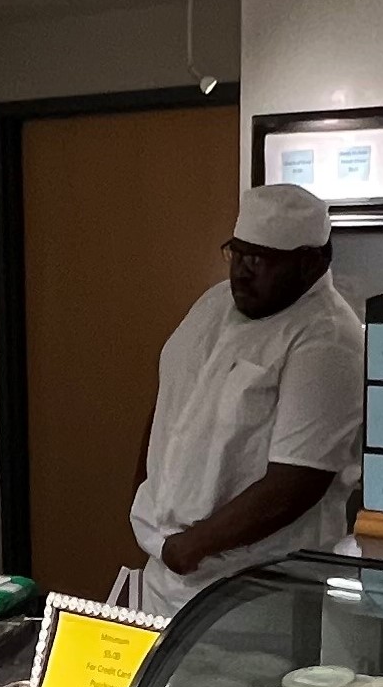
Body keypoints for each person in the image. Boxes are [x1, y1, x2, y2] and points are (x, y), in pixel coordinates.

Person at [128, 182, 368, 613]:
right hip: (166, 572)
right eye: (237, 253)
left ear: (310, 263)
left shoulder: (328, 338)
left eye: (261, 259)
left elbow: (294, 484)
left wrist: (192, 546)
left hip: (252, 588)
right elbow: (172, 400)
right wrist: (142, 499)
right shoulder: (214, 303)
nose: (242, 270)